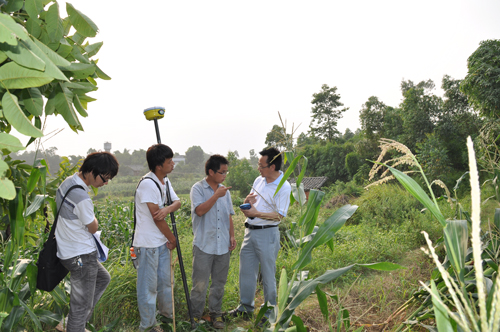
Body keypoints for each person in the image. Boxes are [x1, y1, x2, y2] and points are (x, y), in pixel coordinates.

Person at [55, 152, 119, 332]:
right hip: (81, 255)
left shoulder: (68, 182)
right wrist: (95, 220)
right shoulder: (81, 197)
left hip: (69, 251)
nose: (105, 183)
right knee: (81, 306)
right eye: (104, 178)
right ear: (91, 171)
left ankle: (71, 323)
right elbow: (92, 227)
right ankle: (74, 326)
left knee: (102, 278)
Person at [227, 147, 291, 321]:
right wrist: (247, 203)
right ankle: (245, 307)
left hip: (268, 234)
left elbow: (280, 215)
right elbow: (251, 204)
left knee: (268, 274)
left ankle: (270, 311)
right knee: (246, 271)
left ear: (272, 167)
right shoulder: (259, 180)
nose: (258, 168)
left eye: (261, 165)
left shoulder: (283, 186)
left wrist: (256, 214)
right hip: (250, 231)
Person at [133, 144, 180, 332]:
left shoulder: (165, 181)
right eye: (170, 162)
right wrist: (173, 238)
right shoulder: (147, 184)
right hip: (148, 244)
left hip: (161, 243)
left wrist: (168, 208)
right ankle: (147, 326)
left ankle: (166, 319)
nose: (173, 164)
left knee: (166, 284)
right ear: (159, 165)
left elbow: (177, 202)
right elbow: (157, 219)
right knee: (148, 288)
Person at [189, 155, 237, 329]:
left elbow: (228, 215)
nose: (224, 175)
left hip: (222, 245)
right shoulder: (198, 189)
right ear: (211, 171)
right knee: (199, 285)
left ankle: (216, 315)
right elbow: (200, 211)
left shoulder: (225, 191)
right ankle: (195, 317)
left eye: (226, 172)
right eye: (221, 172)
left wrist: (232, 236)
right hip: (204, 245)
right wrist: (216, 195)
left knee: (218, 284)